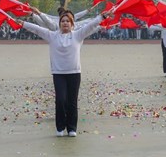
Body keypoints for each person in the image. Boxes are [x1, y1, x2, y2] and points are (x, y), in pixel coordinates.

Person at [17, 8, 111, 137]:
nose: (65, 23)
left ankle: (72, 128)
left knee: (72, 101)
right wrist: (23, 24)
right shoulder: (52, 36)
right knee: (60, 100)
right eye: (63, 21)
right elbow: (37, 29)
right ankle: (60, 128)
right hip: (59, 73)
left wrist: (102, 17)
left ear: (72, 24)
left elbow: (90, 25)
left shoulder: (78, 35)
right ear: (59, 24)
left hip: (74, 73)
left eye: (68, 21)